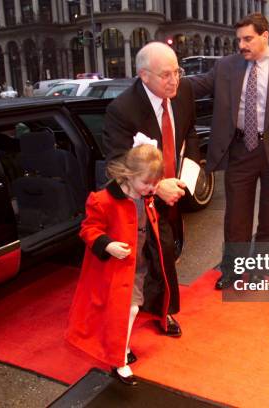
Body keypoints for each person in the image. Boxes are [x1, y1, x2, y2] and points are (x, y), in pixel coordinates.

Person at [188, 13, 269, 289]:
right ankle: (233, 270)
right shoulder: (227, 67)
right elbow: (196, 84)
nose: (242, 45)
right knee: (236, 217)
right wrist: (163, 78)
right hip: (240, 150)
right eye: (239, 40)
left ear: (265, 36)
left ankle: (260, 270)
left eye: (248, 39)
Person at [103, 41, 200, 334]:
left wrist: (192, 168)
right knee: (143, 261)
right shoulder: (122, 109)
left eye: (177, 72)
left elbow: (189, 130)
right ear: (144, 76)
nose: (174, 81)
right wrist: (157, 187)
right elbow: (119, 161)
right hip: (139, 197)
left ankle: (160, 308)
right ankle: (142, 319)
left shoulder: (183, 93)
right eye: (165, 75)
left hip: (175, 188)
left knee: (167, 253)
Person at [66, 144, 169, 386]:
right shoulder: (103, 200)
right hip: (115, 270)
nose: (152, 188)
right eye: (147, 183)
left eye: (156, 183)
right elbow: (88, 229)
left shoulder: (146, 197)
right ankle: (119, 359)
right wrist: (108, 245)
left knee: (130, 310)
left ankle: (120, 348)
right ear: (129, 176)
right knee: (127, 310)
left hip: (139, 265)